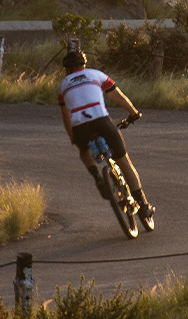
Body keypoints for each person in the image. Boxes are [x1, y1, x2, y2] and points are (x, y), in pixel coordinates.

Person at [58, 49, 155, 222]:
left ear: (67, 68)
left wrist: (73, 137)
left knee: (83, 151)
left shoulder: (63, 85)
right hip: (101, 120)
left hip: (80, 125)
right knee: (124, 161)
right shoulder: (97, 75)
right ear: (84, 64)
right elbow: (120, 98)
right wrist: (133, 113)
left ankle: (96, 175)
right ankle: (143, 205)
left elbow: (66, 116)